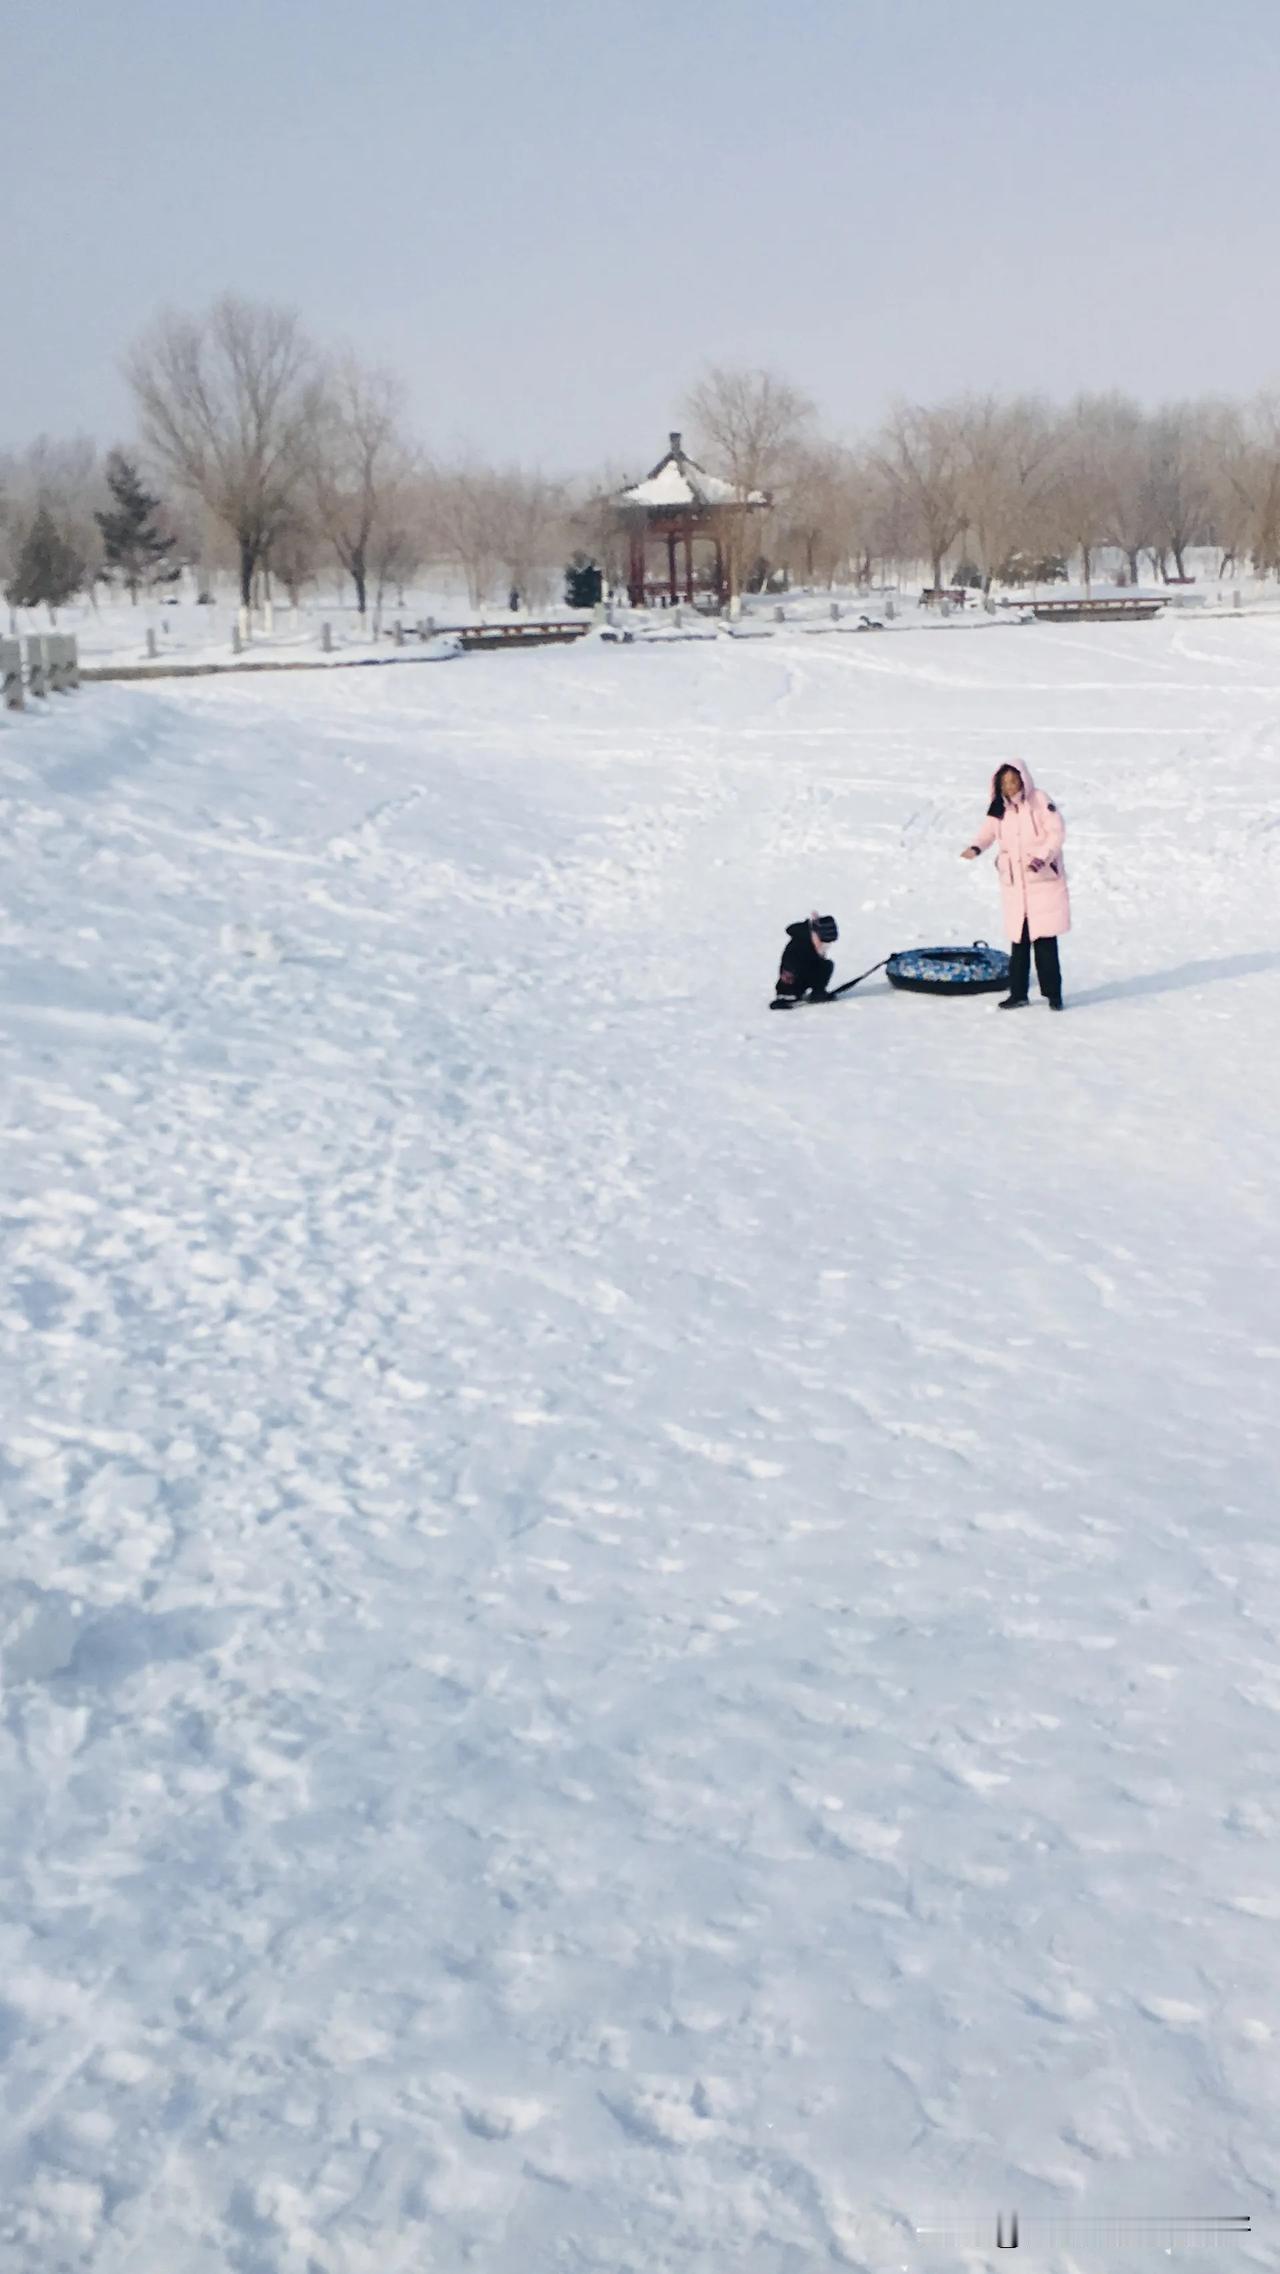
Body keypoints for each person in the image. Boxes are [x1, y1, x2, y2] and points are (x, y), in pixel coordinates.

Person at [961, 761, 1069, 1010]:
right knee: (1019, 943)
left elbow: (1056, 832)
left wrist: (1042, 857)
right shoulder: (999, 807)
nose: (1009, 786)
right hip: (1015, 884)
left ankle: (1054, 995)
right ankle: (1018, 993)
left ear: (1023, 779)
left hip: (1042, 880)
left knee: (1044, 942)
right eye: (1004, 782)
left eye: (1013, 780)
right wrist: (976, 848)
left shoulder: (1040, 800)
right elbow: (987, 833)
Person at [774, 912, 839, 1004]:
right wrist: (784, 994)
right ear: (815, 935)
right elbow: (787, 972)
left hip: (806, 972)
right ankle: (790, 993)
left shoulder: (812, 944)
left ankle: (818, 992)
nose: (825, 945)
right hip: (793, 982)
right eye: (823, 941)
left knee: (827, 964)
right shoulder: (798, 947)